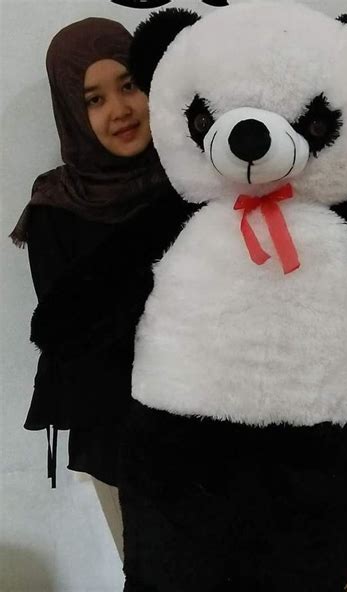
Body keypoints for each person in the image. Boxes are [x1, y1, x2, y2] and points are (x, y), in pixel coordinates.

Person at [10, 16, 196, 540]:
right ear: (70, 109)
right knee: (150, 564)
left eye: (129, 85)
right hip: (120, 431)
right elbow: (69, 333)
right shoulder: (57, 210)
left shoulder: (195, 175)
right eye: (93, 99)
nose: (119, 110)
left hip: (216, 415)